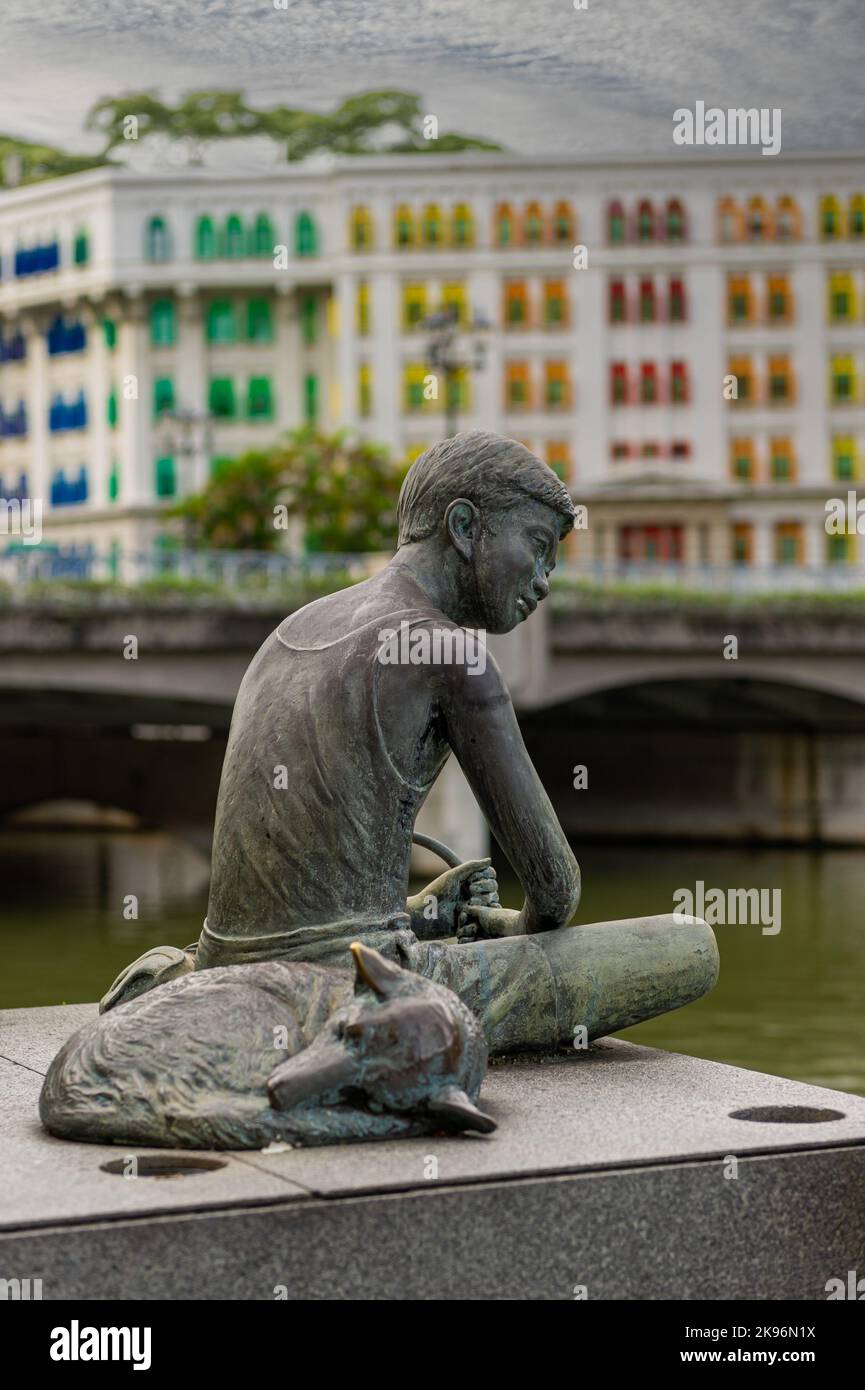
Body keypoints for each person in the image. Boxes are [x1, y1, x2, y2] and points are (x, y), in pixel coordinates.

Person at [103, 431, 718, 1050]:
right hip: (354, 990)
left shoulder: (290, 631)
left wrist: (424, 911)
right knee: (688, 944)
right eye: (536, 547)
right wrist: (512, 925)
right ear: (464, 526)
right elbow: (557, 892)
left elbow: (292, 913)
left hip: (230, 970)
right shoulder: (452, 654)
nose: (544, 580)